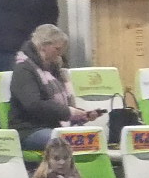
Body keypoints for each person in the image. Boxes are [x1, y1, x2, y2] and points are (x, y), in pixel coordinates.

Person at [8, 24, 91, 152]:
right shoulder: (23, 69)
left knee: (91, 137)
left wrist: (79, 114)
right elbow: (34, 104)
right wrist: (68, 112)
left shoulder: (53, 68)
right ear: (43, 46)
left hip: (53, 126)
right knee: (65, 142)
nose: (60, 54)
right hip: (29, 130)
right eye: (57, 49)